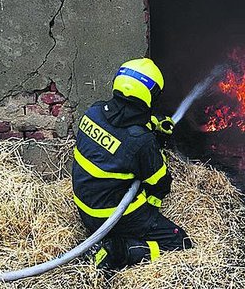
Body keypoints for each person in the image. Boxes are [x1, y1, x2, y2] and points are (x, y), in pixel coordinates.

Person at [72, 58, 192, 269]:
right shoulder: (140, 142)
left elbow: (123, 121)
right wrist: (154, 147)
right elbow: (160, 183)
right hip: (112, 218)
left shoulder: (94, 112)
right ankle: (119, 251)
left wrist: (155, 124)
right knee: (180, 242)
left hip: (85, 208)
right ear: (150, 95)